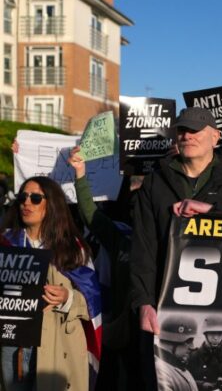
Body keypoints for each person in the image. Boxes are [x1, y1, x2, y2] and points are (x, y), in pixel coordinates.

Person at [131, 107, 222, 387]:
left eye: (195, 130)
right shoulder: (155, 183)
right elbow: (143, 248)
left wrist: (212, 212)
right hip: (165, 305)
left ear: (215, 137)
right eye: (182, 130)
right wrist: (143, 302)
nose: (187, 136)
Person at [0, 176, 100, 391]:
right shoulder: (5, 243)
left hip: (57, 343)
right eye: (22, 197)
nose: (26, 203)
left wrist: (68, 297)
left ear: (52, 204)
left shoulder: (72, 248)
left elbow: (92, 298)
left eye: (36, 198)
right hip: (13, 345)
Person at [69, 147, 141, 390]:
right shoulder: (122, 239)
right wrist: (80, 174)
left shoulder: (171, 240)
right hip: (122, 326)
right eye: (137, 210)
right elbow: (90, 214)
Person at [154, 315, 198, 391]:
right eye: (189, 341)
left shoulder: (176, 366)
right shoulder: (159, 371)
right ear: (173, 341)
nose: (192, 347)